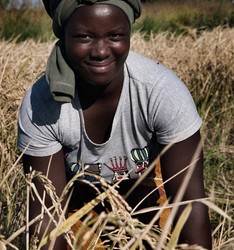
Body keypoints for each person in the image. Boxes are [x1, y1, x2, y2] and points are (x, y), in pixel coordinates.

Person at [17, 0, 212, 249]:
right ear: (63, 35)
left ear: (129, 34)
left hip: (146, 196)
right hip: (77, 206)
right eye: (84, 37)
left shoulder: (161, 92)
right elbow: (47, 217)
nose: (100, 51)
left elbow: (189, 202)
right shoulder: (42, 106)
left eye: (115, 35)